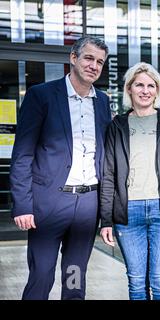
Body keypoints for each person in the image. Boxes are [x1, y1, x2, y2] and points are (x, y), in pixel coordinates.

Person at [10, 36, 111, 300]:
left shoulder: (102, 102)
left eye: (100, 62)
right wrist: (23, 204)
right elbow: (22, 154)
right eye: (89, 58)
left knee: (75, 275)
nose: (94, 65)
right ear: (73, 58)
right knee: (42, 274)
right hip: (49, 203)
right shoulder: (41, 95)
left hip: (88, 204)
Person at [99, 62, 160, 300]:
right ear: (129, 89)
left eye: (151, 85)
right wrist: (106, 220)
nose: (145, 90)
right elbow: (108, 174)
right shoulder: (117, 126)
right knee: (137, 283)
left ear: (157, 90)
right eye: (139, 84)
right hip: (128, 213)